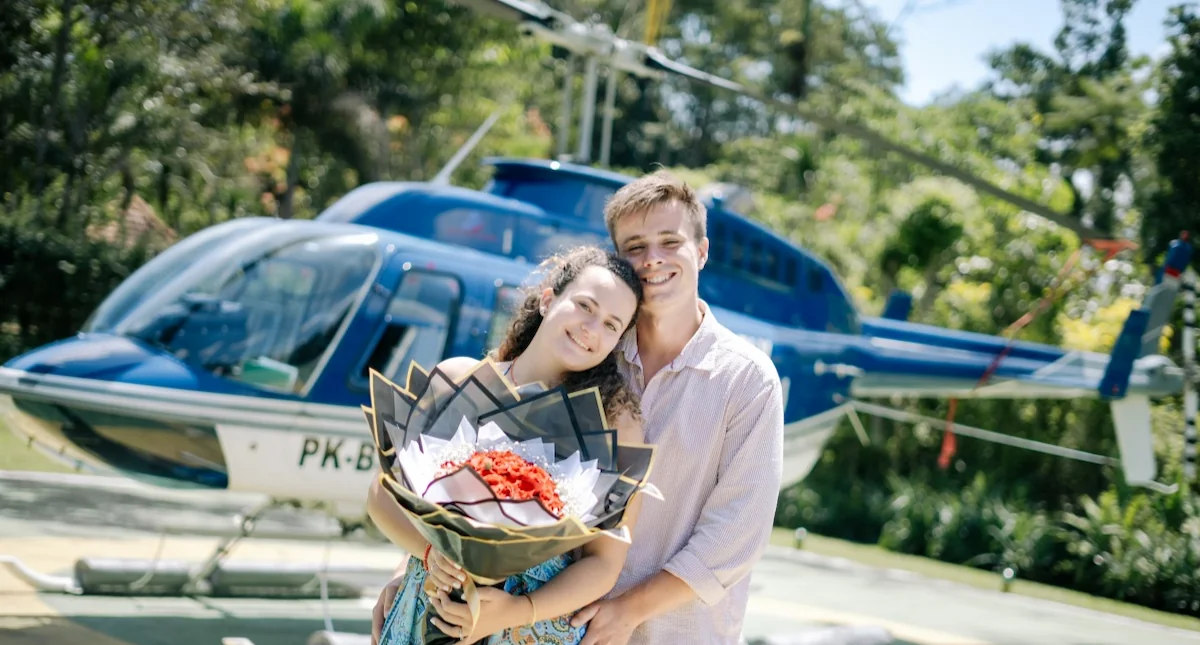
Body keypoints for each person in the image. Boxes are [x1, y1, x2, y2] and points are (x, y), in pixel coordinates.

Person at [366, 245, 648, 645]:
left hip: (529, 625)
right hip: (427, 603)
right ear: (549, 299)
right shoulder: (457, 378)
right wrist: (428, 554)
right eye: (585, 306)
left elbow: (604, 564)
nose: (592, 328)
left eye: (610, 325)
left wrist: (517, 611)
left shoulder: (615, 424)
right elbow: (382, 494)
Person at [568, 170, 784, 645]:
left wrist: (625, 612)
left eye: (671, 241)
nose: (653, 260)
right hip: (563, 629)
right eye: (635, 247)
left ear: (701, 252)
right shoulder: (588, 353)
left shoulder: (748, 379)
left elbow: (734, 536)